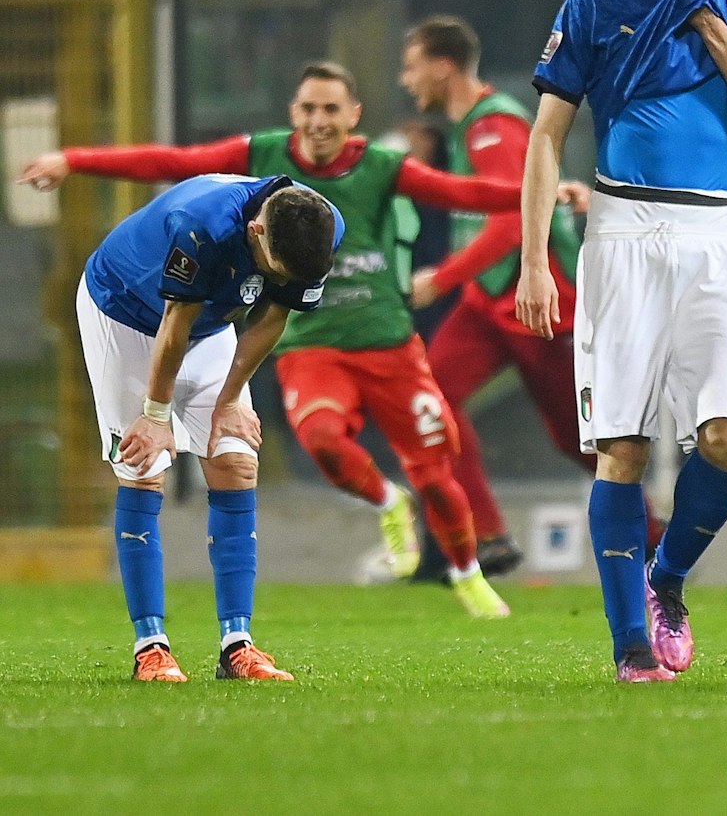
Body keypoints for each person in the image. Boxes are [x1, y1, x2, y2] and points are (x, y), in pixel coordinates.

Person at [21, 61, 522, 618]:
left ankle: (465, 574)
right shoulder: (247, 171)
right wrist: (74, 159)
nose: (319, 121)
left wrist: (539, 195)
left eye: (332, 109)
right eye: (309, 108)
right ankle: (155, 640)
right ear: (293, 113)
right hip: (290, 345)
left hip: (386, 340)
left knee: (429, 468)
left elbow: (464, 194)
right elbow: (172, 163)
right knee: (308, 442)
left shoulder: (374, 173)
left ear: (354, 116)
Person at [517, 0, 727, 684]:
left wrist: (710, 24)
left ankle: (666, 578)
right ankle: (629, 645)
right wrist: (534, 259)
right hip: (623, 234)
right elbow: (547, 138)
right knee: (622, 447)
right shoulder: (595, 5)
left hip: (714, 233)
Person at [75, 174, 341, 680]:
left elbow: (272, 315)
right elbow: (174, 320)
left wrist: (228, 400)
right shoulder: (201, 229)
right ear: (257, 230)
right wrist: (155, 416)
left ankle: (237, 645)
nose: (280, 279)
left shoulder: (319, 227)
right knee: (144, 465)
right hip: (126, 313)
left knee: (237, 459)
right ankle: (150, 648)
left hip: (209, 323)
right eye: (274, 269)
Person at [400, 16, 602, 575]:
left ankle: (658, 540)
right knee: (431, 398)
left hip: (537, 305)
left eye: (412, 65)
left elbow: (514, 224)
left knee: (577, 438)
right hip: (488, 302)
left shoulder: (496, 127)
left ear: (443, 67)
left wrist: (441, 277)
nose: (405, 79)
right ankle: (488, 536)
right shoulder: (468, 131)